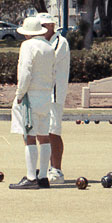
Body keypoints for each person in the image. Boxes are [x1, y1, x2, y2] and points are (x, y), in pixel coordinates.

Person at [9, 16, 56, 190]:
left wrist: (20, 93)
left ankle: (31, 177)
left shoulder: (27, 46)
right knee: (44, 136)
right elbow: (53, 73)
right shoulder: (49, 47)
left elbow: (25, 71)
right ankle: (43, 176)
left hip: (30, 96)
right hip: (45, 96)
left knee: (29, 136)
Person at [37, 13, 69, 183]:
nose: (41, 29)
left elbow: (47, 61)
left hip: (54, 93)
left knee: (53, 131)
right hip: (41, 92)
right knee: (41, 131)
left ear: (51, 26)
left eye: (44, 25)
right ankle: (45, 169)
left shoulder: (60, 42)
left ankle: (57, 170)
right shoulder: (40, 42)